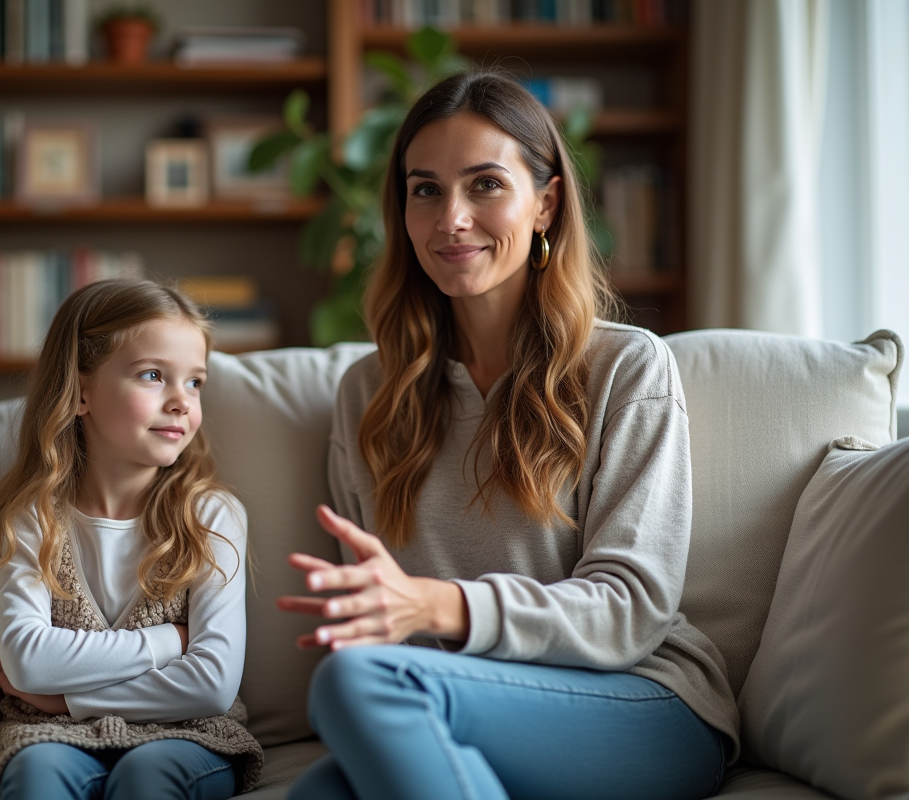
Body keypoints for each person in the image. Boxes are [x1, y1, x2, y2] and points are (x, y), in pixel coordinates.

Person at [278, 70, 738, 800]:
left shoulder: (627, 367)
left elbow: (630, 608)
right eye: (424, 189)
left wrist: (440, 605)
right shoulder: (368, 393)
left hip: (641, 701)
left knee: (357, 682)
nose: (450, 218)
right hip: (467, 700)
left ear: (546, 203)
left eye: (485, 184)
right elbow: (381, 623)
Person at [0, 279, 262, 800]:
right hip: (52, 739)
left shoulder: (212, 517)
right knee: (36, 779)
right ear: (81, 391)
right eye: (153, 375)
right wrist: (171, 641)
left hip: (189, 735)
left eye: (195, 383)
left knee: (146, 778)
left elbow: (212, 684)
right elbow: (27, 661)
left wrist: (66, 700)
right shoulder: (34, 516)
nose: (180, 402)